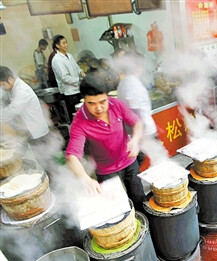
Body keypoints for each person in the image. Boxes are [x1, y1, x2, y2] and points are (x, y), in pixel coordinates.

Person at [65, 72, 145, 210]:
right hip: (106, 171)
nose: (99, 108)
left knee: (138, 198)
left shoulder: (117, 105)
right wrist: (85, 178)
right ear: (84, 100)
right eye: (92, 103)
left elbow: (137, 123)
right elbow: (72, 155)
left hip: (129, 162)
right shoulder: (80, 121)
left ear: (107, 97)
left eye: (102, 101)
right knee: (117, 208)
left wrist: (135, 140)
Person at [0, 66, 49, 141]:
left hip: (36, 132)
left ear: (10, 79)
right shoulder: (11, 88)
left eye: (2, 84)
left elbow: (13, 110)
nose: (2, 87)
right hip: (28, 130)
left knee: (41, 151)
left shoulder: (21, 90)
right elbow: (3, 101)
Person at [51, 35, 85, 122]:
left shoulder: (69, 55)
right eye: (63, 43)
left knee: (83, 114)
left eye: (66, 42)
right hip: (69, 93)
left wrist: (81, 72)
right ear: (57, 46)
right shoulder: (57, 60)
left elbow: (76, 67)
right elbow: (64, 78)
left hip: (77, 89)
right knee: (76, 117)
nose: (66, 45)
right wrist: (79, 80)